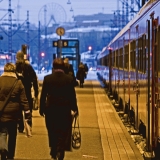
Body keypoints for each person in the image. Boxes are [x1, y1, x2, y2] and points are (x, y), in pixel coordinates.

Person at [39, 58, 78, 160]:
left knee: (52, 130)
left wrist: (41, 109)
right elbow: (72, 96)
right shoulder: (68, 79)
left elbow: (43, 96)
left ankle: (53, 148)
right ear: (63, 67)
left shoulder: (48, 79)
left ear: (53, 67)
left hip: (51, 110)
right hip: (64, 110)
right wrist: (75, 108)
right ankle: (60, 149)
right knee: (63, 131)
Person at [0, 63, 31, 160]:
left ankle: (3, 148)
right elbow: (24, 100)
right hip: (14, 113)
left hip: (1, 112)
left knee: (2, 132)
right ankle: (10, 155)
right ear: (14, 71)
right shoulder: (18, 82)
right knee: (13, 134)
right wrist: (27, 114)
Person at [15, 51, 39, 132]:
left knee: (18, 109)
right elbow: (34, 79)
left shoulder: (14, 67)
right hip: (27, 90)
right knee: (28, 109)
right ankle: (28, 126)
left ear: (17, 57)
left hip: (17, 92)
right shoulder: (28, 67)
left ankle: (20, 126)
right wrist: (36, 92)